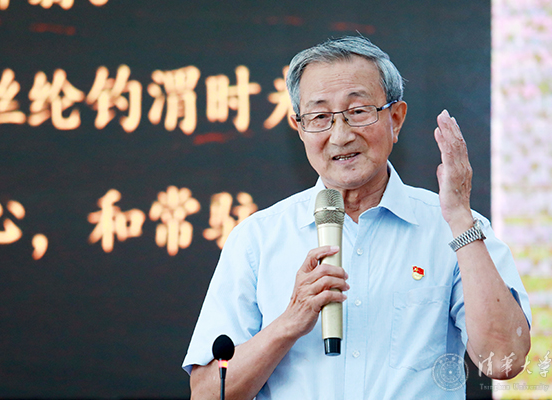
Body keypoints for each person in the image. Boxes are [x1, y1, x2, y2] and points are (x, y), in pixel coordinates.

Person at [183, 36, 531, 399]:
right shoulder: (258, 238)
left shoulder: (455, 228)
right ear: (300, 128)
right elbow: (207, 393)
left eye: (359, 111)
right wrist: (290, 321)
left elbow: (503, 361)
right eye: (320, 117)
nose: (340, 135)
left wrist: (459, 219)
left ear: (396, 119)